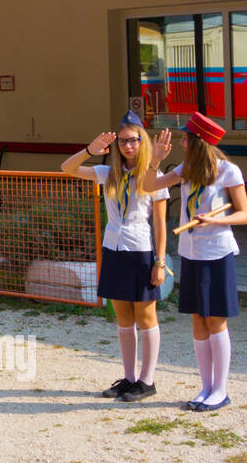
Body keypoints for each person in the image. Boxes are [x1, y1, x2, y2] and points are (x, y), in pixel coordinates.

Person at [61, 110, 169, 402]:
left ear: (142, 141)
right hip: (114, 249)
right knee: (122, 316)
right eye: (122, 141)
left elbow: (160, 224)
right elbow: (67, 168)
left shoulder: (152, 176)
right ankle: (129, 378)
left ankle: (147, 380)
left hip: (141, 251)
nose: (128, 146)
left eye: (133, 140)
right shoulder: (109, 173)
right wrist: (89, 151)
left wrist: (160, 261)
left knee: (145, 314)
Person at [149, 113, 247, 412]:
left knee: (215, 319)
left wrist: (215, 220)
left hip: (216, 252)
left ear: (199, 143)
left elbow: (245, 214)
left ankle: (220, 389)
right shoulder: (186, 168)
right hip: (191, 252)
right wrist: (155, 160)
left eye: (185, 139)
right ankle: (205, 386)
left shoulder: (228, 171)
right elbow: (147, 185)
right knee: (197, 318)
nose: (180, 142)